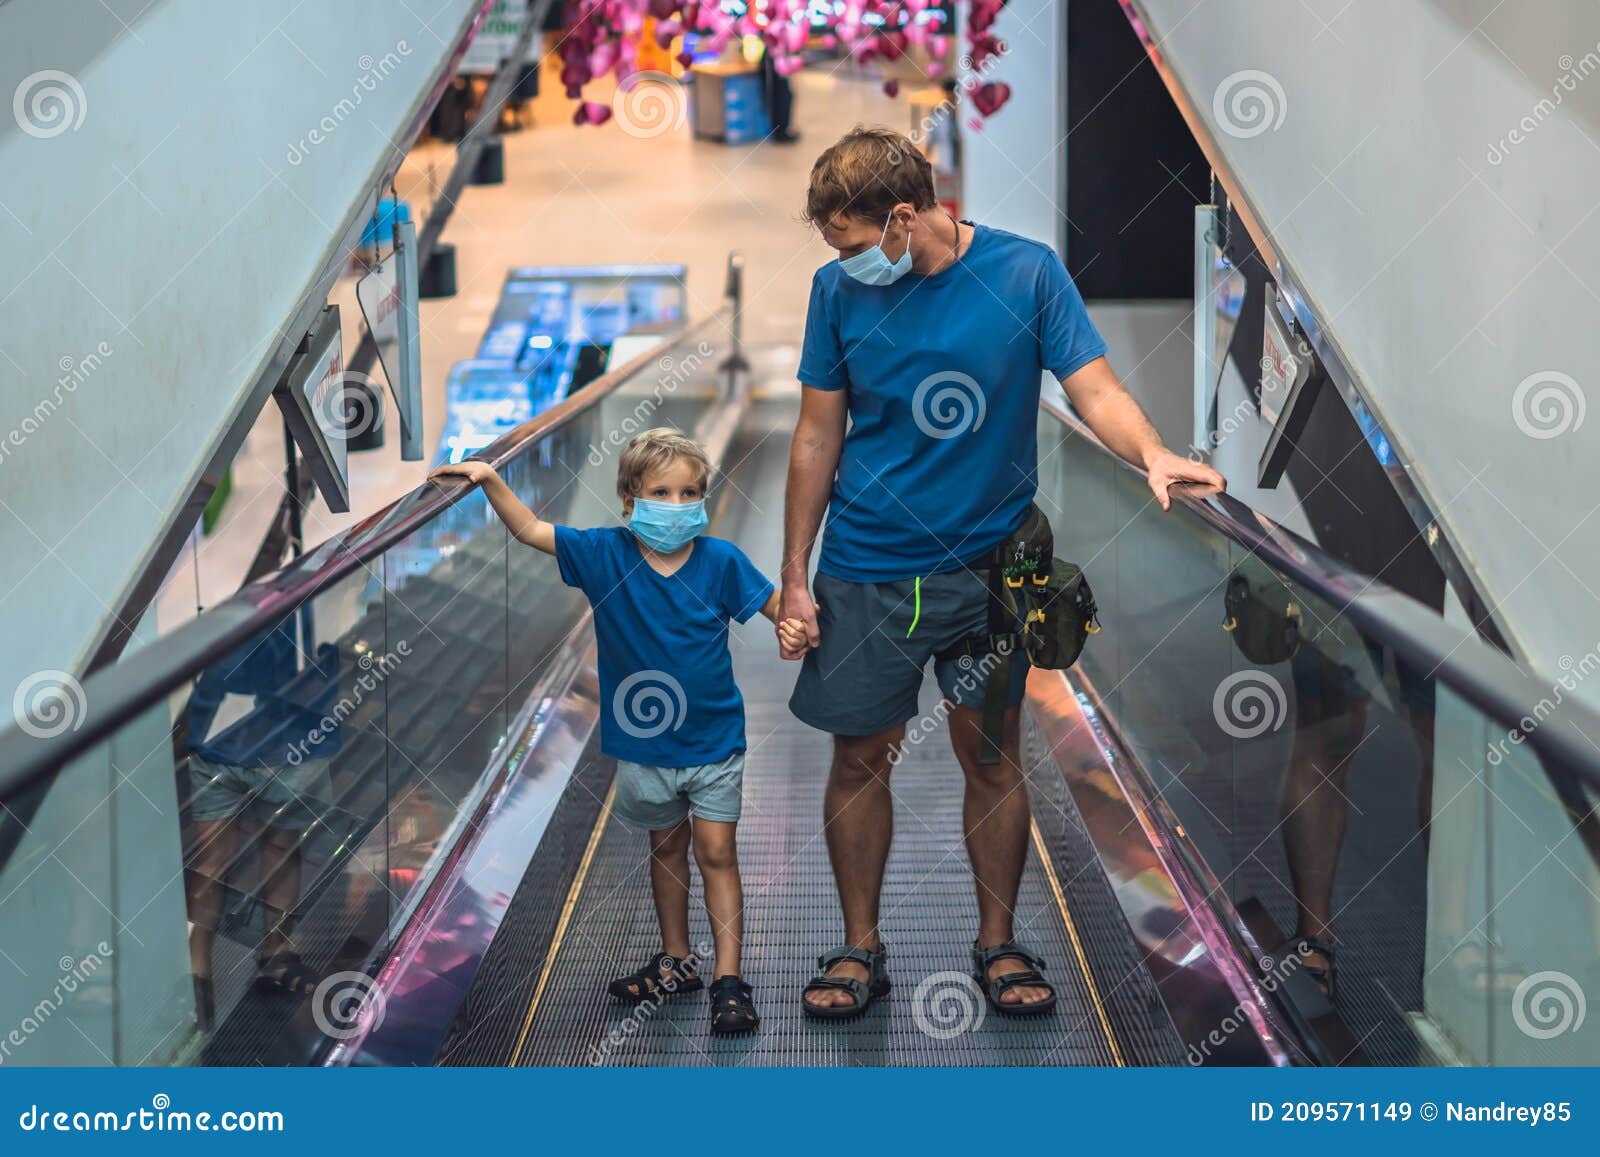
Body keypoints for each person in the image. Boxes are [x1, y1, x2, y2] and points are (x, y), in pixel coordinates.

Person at [780, 127, 1224, 1019]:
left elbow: (1090, 384)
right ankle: (858, 946)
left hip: (990, 568)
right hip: (869, 565)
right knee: (860, 758)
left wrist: (1152, 453)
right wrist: (794, 574)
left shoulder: (1024, 273)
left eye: (858, 245)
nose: (846, 264)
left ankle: (999, 941)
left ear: (906, 216)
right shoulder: (836, 294)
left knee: (991, 755)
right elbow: (818, 433)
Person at [431, 428, 809, 1035]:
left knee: (717, 853)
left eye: (691, 493)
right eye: (663, 492)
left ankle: (728, 978)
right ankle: (676, 960)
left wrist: (791, 631)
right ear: (630, 499)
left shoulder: (722, 562)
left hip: (715, 742)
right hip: (644, 747)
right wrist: (490, 481)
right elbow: (531, 531)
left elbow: (777, 613)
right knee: (664, 849)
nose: (680, 505)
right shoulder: (604, 554)